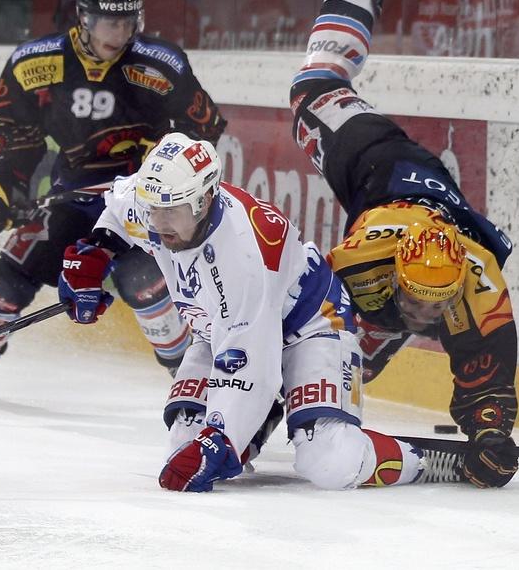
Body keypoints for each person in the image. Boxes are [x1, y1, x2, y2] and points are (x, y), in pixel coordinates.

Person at [58, 132, 464, 491]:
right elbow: (118, 211)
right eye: (153, 209)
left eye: (170, 211)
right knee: (183, 443)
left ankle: (422, 459)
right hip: (223, 331)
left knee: (328, 460)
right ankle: (264, 414)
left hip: (309, 325)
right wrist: (95, 254)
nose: (157, 222)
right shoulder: (161, 202)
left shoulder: (246, 256)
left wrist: (221, 439)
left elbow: (250, 367)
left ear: (204, 201)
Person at [0, 0, 226, 394]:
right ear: (83, 19)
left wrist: (162, 157)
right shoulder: (37, 64)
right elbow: (15, 133)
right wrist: (6, 180)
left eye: (128, 22)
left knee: (145, 282)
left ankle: (190, 376)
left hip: (144, 199)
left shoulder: (159, 64)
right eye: (108, 23)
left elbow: (204, 127)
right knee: (7, 277)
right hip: (72, 194)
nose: (120, 33)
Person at [289, 0, 519, 488]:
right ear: (396, 275)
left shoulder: (477, 287)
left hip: (426, 205)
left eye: (436, 304)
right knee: (313, 95)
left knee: (361, 362)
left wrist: (490, 435)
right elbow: (300, 318)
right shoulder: (357, 263)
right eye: (418, 301)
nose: (424, 318)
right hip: (379, 163)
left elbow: (488, 374)